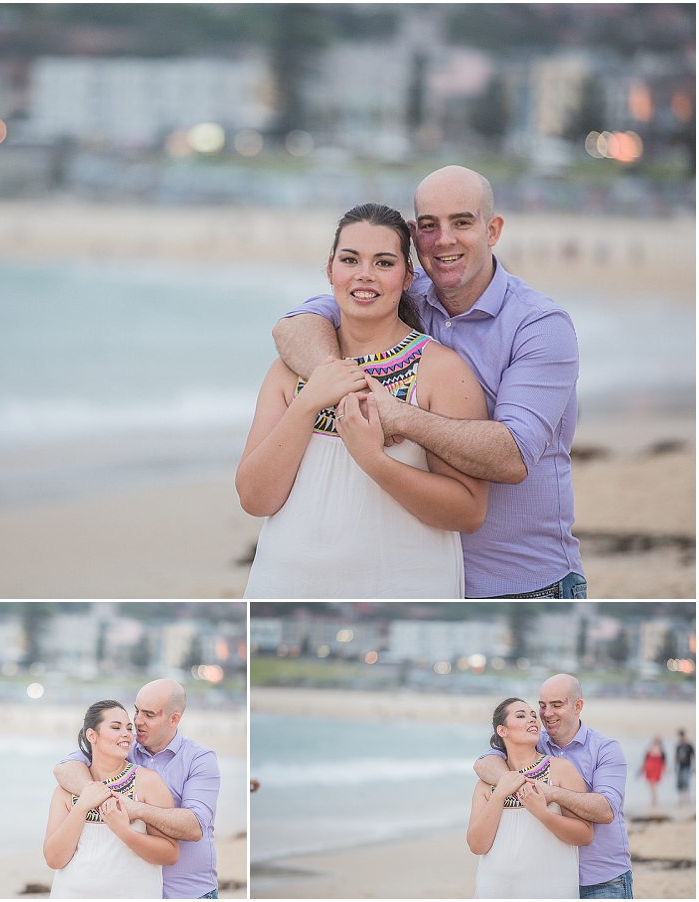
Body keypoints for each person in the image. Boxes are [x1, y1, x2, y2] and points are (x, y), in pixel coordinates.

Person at [272, 165, 585, 598]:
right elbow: (294, 328)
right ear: (413, 238)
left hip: (520, 581)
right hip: (423, 573)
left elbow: (513, 457)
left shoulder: (539, 327)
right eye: (429, 226)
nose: (444, 239)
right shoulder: (403, 294)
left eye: (462, 222)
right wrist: (342, 385)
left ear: (492, 229)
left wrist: (397, 414)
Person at [236, 202, 488, 598]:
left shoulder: (440, 370)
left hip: (401, 590)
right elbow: (255, 498)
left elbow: (468, 511)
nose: (364, 275)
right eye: (350, 259)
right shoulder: (290, 370)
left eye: (384, 263)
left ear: (407, 278)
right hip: (284, 588)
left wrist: (374, 460)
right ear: (330, 269)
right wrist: (308, 404)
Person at [54, 679, 220, 899]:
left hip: (187, 891)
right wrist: (99, 797)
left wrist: (137, 809)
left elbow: (195, 827)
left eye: (149, 715)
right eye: (136, 711)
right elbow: (64, 769)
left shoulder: (199, 759)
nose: (138, 722)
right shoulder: (122, 745)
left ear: (174, 719)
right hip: (136, 890)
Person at [474, 674, 633, 899]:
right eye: (542, 706)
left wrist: (551, 792)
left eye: (556, 705)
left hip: (602, 878)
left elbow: (606, 810)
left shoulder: (606, 749)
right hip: (549, 875)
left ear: (578, 706)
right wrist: (512, 786)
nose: (546, 714)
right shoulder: (531, 740)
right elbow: (484, 763)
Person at [43, 700, 179, 899]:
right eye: (116, 727)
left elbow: (170, 854)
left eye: (129, 728)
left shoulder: (147, 782)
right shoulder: (67, 789)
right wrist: (82, 806)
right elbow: (54, 859)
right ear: (92, 735)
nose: (126, 734)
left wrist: (124, 831)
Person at [467, 696, 592, 898]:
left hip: (551, 889)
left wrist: (542, 813)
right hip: (494, 889)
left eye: (533, 716)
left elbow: (584, 835)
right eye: (521, 715)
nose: (532, 719)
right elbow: (477, 845)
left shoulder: (560, 770)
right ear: (502, 730)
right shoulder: (486, 783)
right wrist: (500, 794)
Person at [639, 737, 666, 808]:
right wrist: (641, 769)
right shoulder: (649, 751)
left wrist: (665, 771)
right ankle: (653, 799)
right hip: (649, 769)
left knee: (653, 785)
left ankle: (654, 800)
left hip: (656, 770)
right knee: (651, 785)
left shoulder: (661, 752)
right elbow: (645, 761)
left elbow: (664, 763)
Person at [674, 730, 694, 805]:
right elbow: (676, 756)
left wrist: (694, 766)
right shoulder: (678, 746)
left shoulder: (689, 745)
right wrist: (675, 765)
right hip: (680, 766)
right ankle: (680, 798)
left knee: (686, 781)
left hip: (687, 766)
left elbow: (693, 755)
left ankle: (688, 798)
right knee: (680, 783)